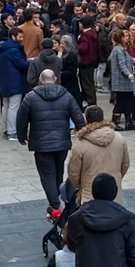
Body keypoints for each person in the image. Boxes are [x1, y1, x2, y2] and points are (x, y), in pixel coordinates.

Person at [18, 69, 86, 213]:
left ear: (40, 80)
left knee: (47, 175)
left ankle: (56, 204)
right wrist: (83, 134)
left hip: (41, 144)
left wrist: (22, 135)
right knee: (58, 171)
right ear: (55, 79)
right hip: (61, 142)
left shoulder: (30, 97)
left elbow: (21, 118)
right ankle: (59, 200)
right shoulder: (66, 95)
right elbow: (78, 117)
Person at [67, 105, 131, 205]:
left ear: (87, 120)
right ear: (103, 118)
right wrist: (115, 179)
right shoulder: (119, 138)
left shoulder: (80, 144)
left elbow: (74, 174)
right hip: (115, 195)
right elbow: (125, 164)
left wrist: (82, 185)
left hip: (89, 197)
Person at [0, 27, 30, 138]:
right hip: (15, 82)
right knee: (13, 107)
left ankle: (6, 129)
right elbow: (22, 65)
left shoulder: (3, 48)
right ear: (13, 36)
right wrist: (31, 62)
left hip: (5, 81)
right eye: (20, 37)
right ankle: (12, 132)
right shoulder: (14, 50)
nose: (22, 39)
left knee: (6, 106)